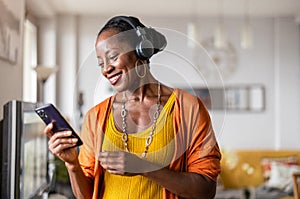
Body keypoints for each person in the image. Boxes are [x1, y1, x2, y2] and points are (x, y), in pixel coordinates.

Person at [44, 15, 221, 199]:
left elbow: (206, 190)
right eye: (101, 64)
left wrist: (143, 167)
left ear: (141, 51)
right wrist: (72, 164)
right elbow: (86, 196)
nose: (106, 69)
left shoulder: (188, 108)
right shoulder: (95, 117)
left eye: (113, 57)